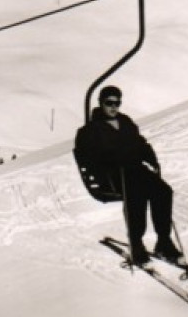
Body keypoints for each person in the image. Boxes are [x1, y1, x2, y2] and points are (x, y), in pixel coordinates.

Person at [74, 85, 181, 266]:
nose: (114, 107)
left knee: (163, 191)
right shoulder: (90, 130)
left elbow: (141, 144)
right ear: (100, 103)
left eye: (117, 103)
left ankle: (164, 241)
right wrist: (108, 162)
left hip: (135, 169)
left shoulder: (126, 122)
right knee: (136, 194)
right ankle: (136, 243)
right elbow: (88, 157)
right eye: (109, 103)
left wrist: (151, 159)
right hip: (112, 175)